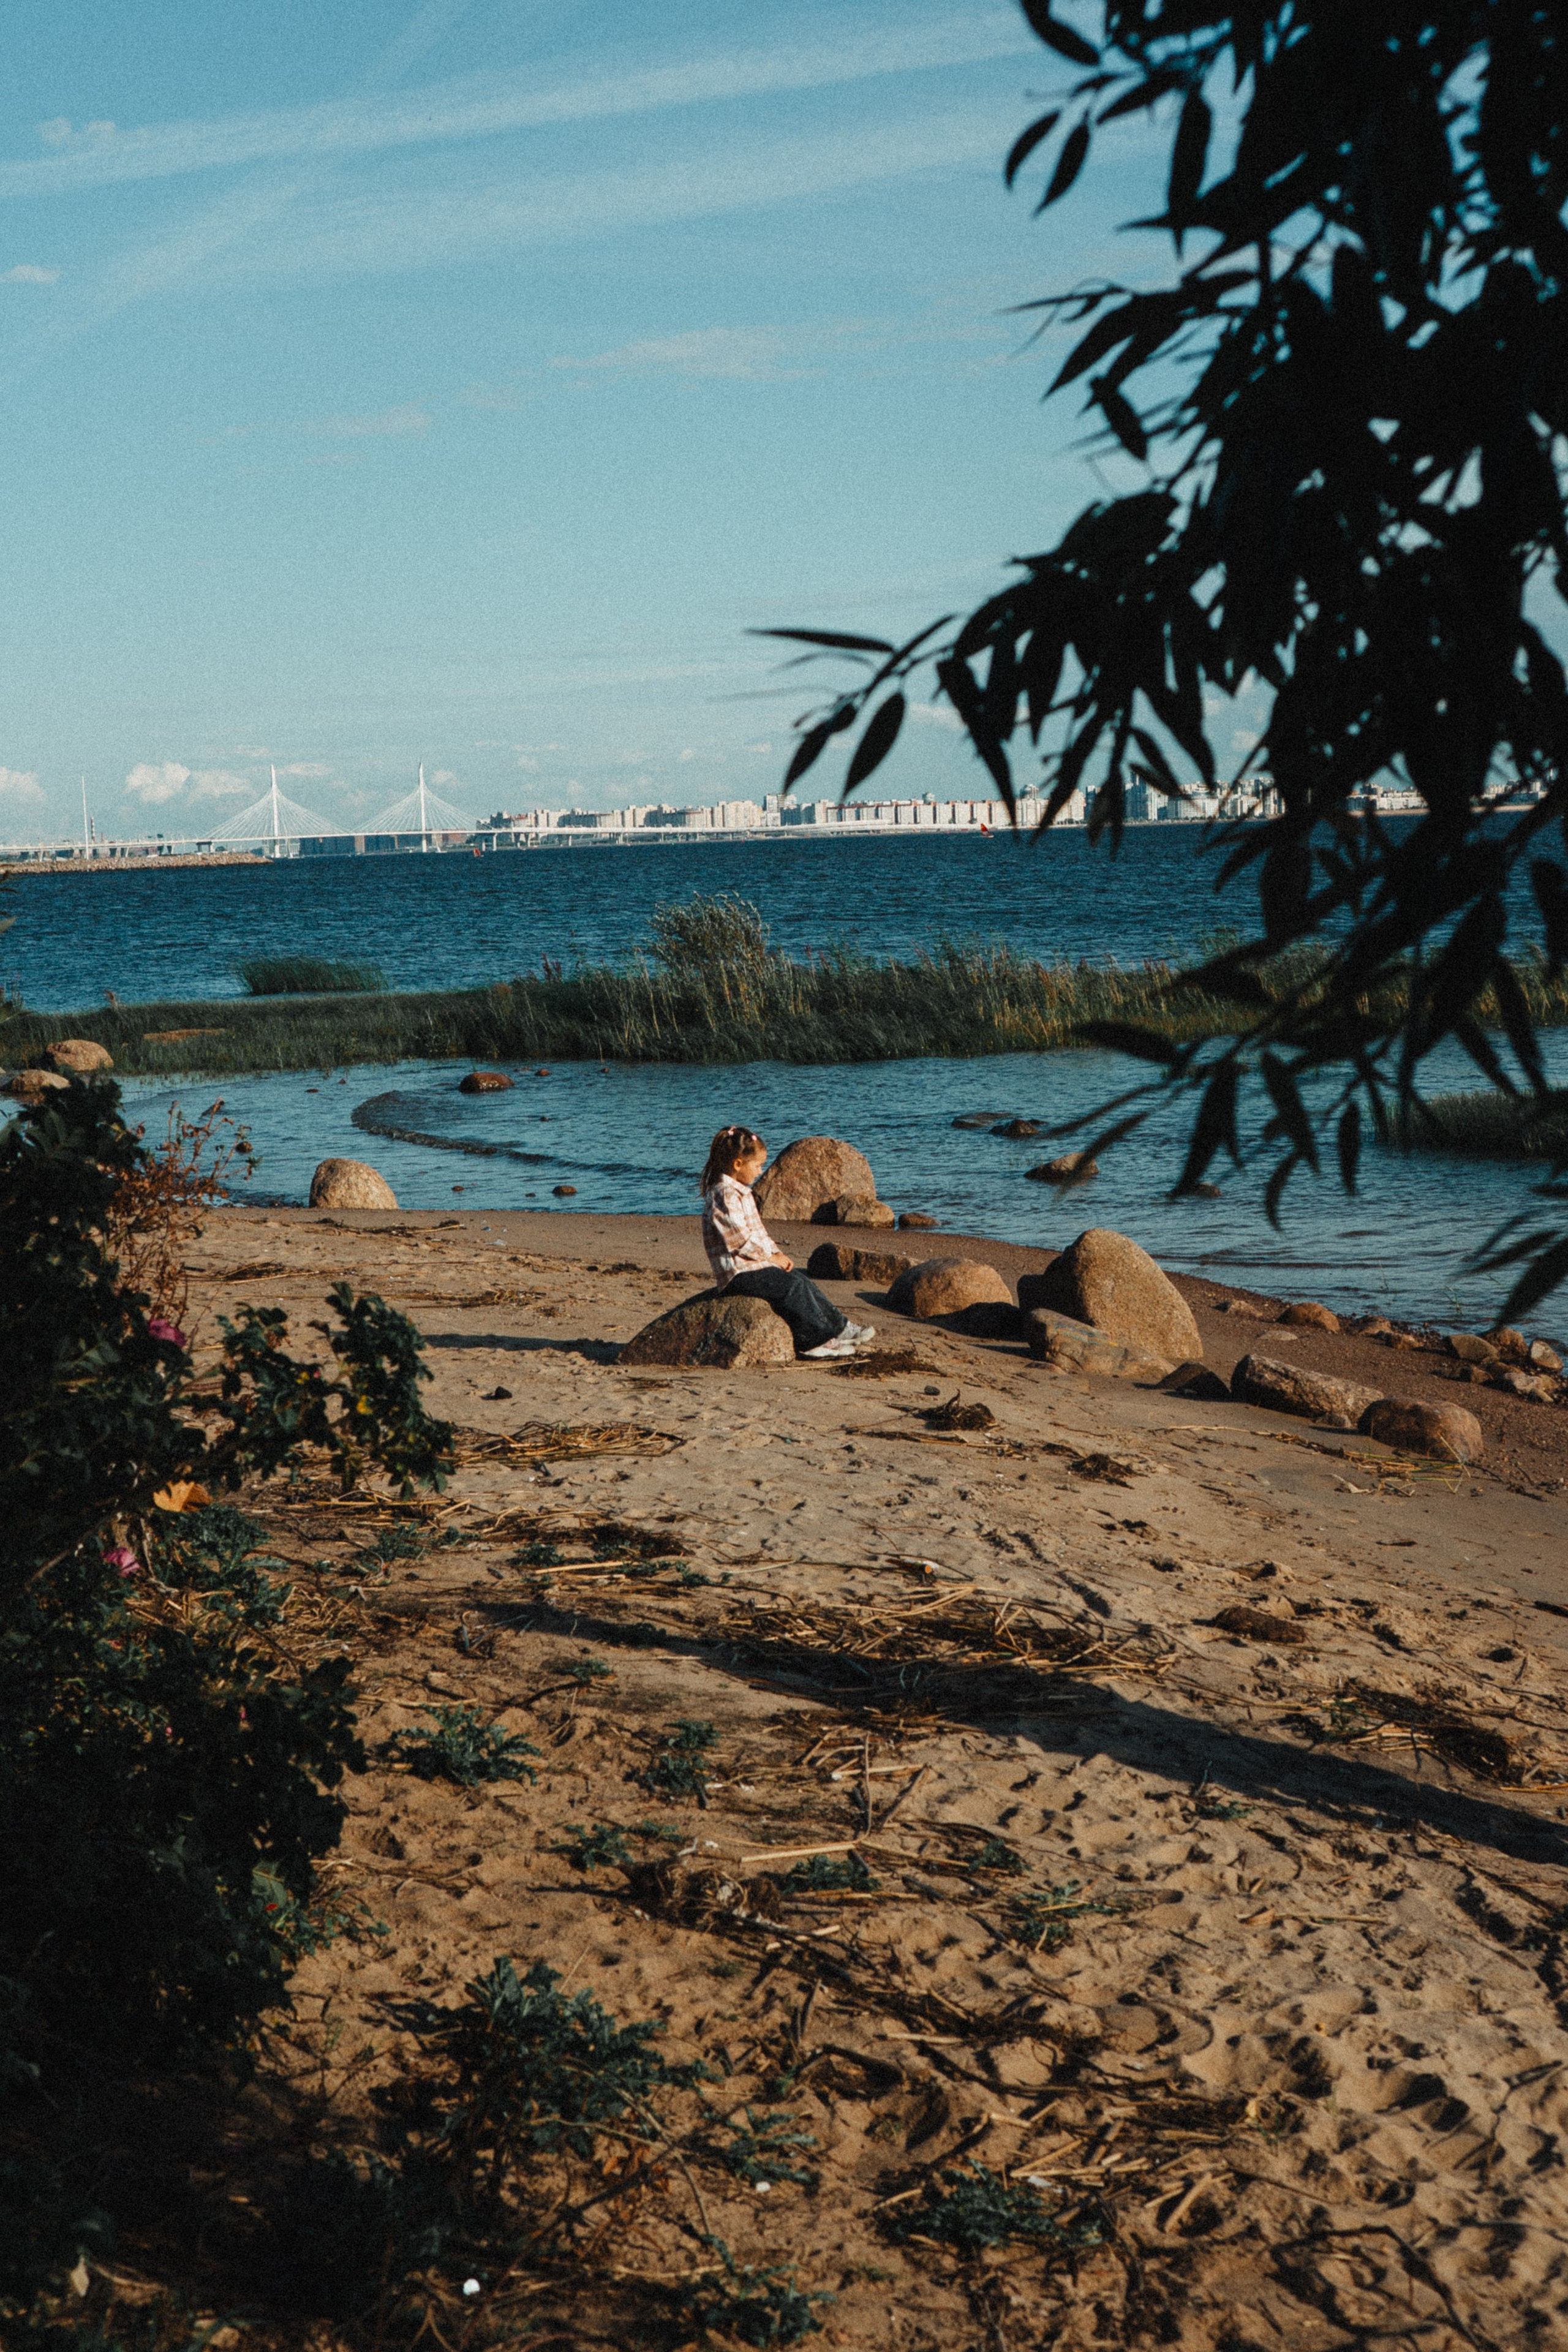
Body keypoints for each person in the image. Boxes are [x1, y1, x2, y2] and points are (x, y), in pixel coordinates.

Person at [699, 1125, 875, 1361]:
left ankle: (839, 1327)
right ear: (738, 1164)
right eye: (758, 1165)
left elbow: (759, 1232)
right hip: (737, 1273)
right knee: (791, 1289)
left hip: (755, 1266)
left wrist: (777, 1253)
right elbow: (739, 1240)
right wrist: (771, 1258)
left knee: (800, 1280)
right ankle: (813, 1341)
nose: (761, 1171)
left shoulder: (741, 1192)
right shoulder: (724, 1194)